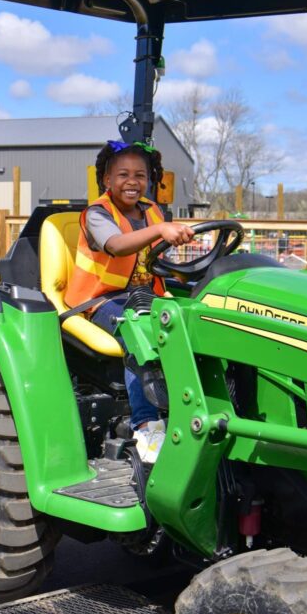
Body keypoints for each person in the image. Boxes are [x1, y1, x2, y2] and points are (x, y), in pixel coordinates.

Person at [65, 140, 194, 463]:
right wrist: (161, 230)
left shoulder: (151, 211)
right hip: (99, 302)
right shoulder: (96, 214)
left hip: (145, 296)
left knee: (196, 318)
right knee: (142, 333)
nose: (132, 181)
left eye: (140, 174)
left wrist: (180, 273)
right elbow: (118, 245)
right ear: (107, 180)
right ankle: (146, 423)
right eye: (123, 174)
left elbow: (156, 258)